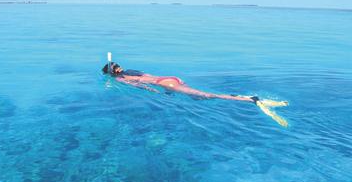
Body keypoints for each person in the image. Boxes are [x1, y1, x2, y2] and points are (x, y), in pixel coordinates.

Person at [102, 62, 289, 126]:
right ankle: (244, 98)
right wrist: (167, 91)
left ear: (111, 73)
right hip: (170, 78)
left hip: (164, 83)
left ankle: (251, 100)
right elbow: (146, 78)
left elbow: (144, 87)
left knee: (208, 95)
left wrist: (154, 92)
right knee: (196, 96)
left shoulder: (120, 79)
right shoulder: (133, 70)